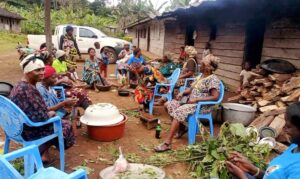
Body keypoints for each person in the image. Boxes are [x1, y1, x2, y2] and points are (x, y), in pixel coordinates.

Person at [9, 54, 75, 163]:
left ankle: (37, 154)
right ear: (28, 72)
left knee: (59, 122)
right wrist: (53, 113)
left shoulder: (20, 85)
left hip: (16, 127)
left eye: (42, 69)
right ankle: (34, 155)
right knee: (65, 126)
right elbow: (43, 117)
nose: (42, 73)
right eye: (37, 70)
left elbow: (37, 111)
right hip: (28, 130)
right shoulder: (29, 90)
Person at [154, 54, 221, 152]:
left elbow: (215, 97)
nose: (199, 66)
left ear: (208, 68)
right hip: (190, 102)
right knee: (169, 104)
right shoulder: (201, 76)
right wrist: (182, 93)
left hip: (201, 106)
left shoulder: (213, 79)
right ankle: (181, 128)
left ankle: (167, 143)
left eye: (202, 64)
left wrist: (196, 100)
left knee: (178, 112)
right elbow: (191, 89)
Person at [226, 102, 300, 179]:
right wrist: (252, 169)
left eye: (288, 126)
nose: (284, 128)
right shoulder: (295, 147)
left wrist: (242, 176)